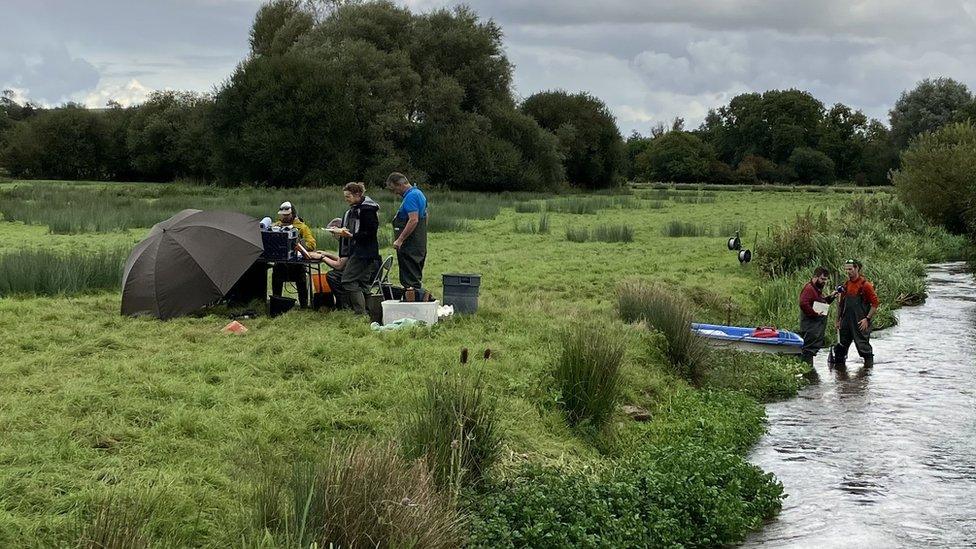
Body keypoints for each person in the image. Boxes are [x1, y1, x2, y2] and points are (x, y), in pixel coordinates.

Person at [310, 183, 380, 314]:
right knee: (363, 284)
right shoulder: (359, 208)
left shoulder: (367, 210)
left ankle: (360, 313)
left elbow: (370, 232)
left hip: (363, 252)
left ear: (357, 195)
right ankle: (370, 313)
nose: (346, 199)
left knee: (347, 280)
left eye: (348, 196)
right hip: (365, 252)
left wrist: (351, 235)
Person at [830, 259, 879, 368]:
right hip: (845, 322)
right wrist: (838, 320)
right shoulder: (846, 285)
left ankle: (867, 374)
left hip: (860, 322)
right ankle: (840, 377)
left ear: (857, 268)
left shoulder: (865, 285)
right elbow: (841, 304)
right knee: (840, 349)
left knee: (864, 349)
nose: (848, 272)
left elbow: (875, 303)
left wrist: (867, 319)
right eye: (846, 269)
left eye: (850, 269)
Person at [386, 172, 428, 291]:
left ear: (400, 184)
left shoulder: (411, 197)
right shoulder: (419, 193)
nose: (395, 192)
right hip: (418, 243)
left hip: (410, 245)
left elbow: (414, 220)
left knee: (410, 280)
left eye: (394, 189)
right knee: (414, 275)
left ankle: (412, 302)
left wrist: (400, 239)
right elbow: (425, 215)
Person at [271, 201, 316, 308]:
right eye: (283, 215)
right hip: (281, 262)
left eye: (287, 215)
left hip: (297, 263)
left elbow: (312, 244)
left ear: (293, 214)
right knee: (276, 273)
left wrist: (299, 245)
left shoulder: (302, 227)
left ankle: (304, 305)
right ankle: (276, 304)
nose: (285, 217)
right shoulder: (276, 226)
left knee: (301, 277)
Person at [798, 266, 840, 365]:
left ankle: (809, 372)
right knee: (808, 350)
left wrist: (831, 297)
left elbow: (822, 302)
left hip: (816, 327)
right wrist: (814, 313)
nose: (824, 282)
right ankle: (807, 372)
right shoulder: (809, 288)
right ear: (815, 277)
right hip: (810, 326)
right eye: (822, 279)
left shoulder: (817, 289)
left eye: (825, 280)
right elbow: (803, 303)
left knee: (811, 350)